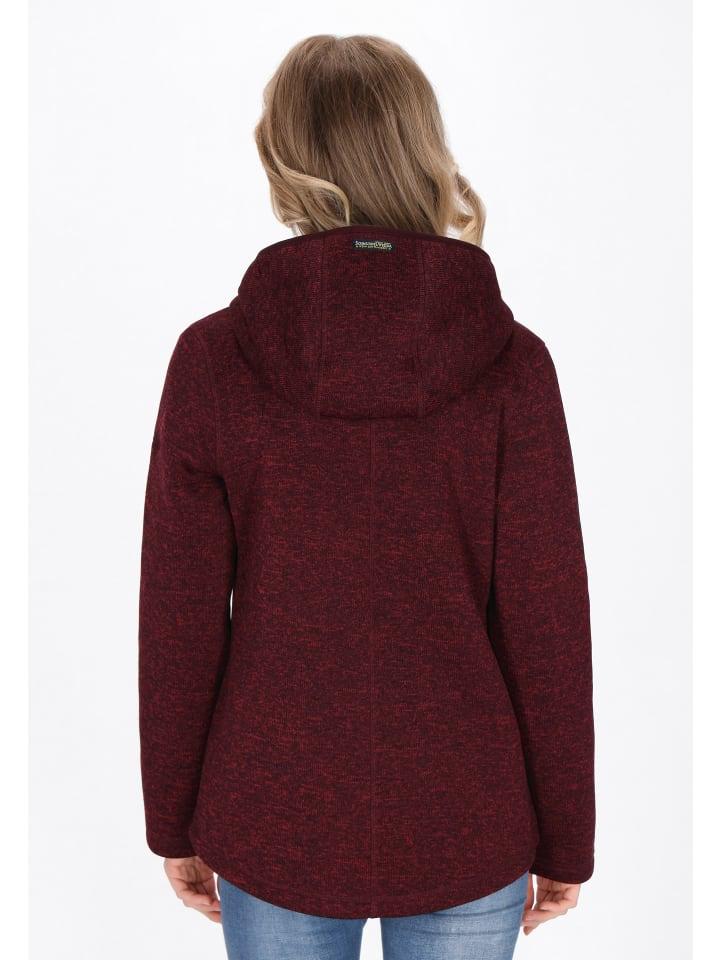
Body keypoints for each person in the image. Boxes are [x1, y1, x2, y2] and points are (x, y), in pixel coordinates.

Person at [138, 34, 595, 960]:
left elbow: (180, 619)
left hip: (272, 811)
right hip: (470, 815)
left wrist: (174, 817)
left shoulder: (214, 361)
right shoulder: (513, 365)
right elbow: (547, 620)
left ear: (286, 159)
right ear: (422, 150)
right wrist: (566, 836)